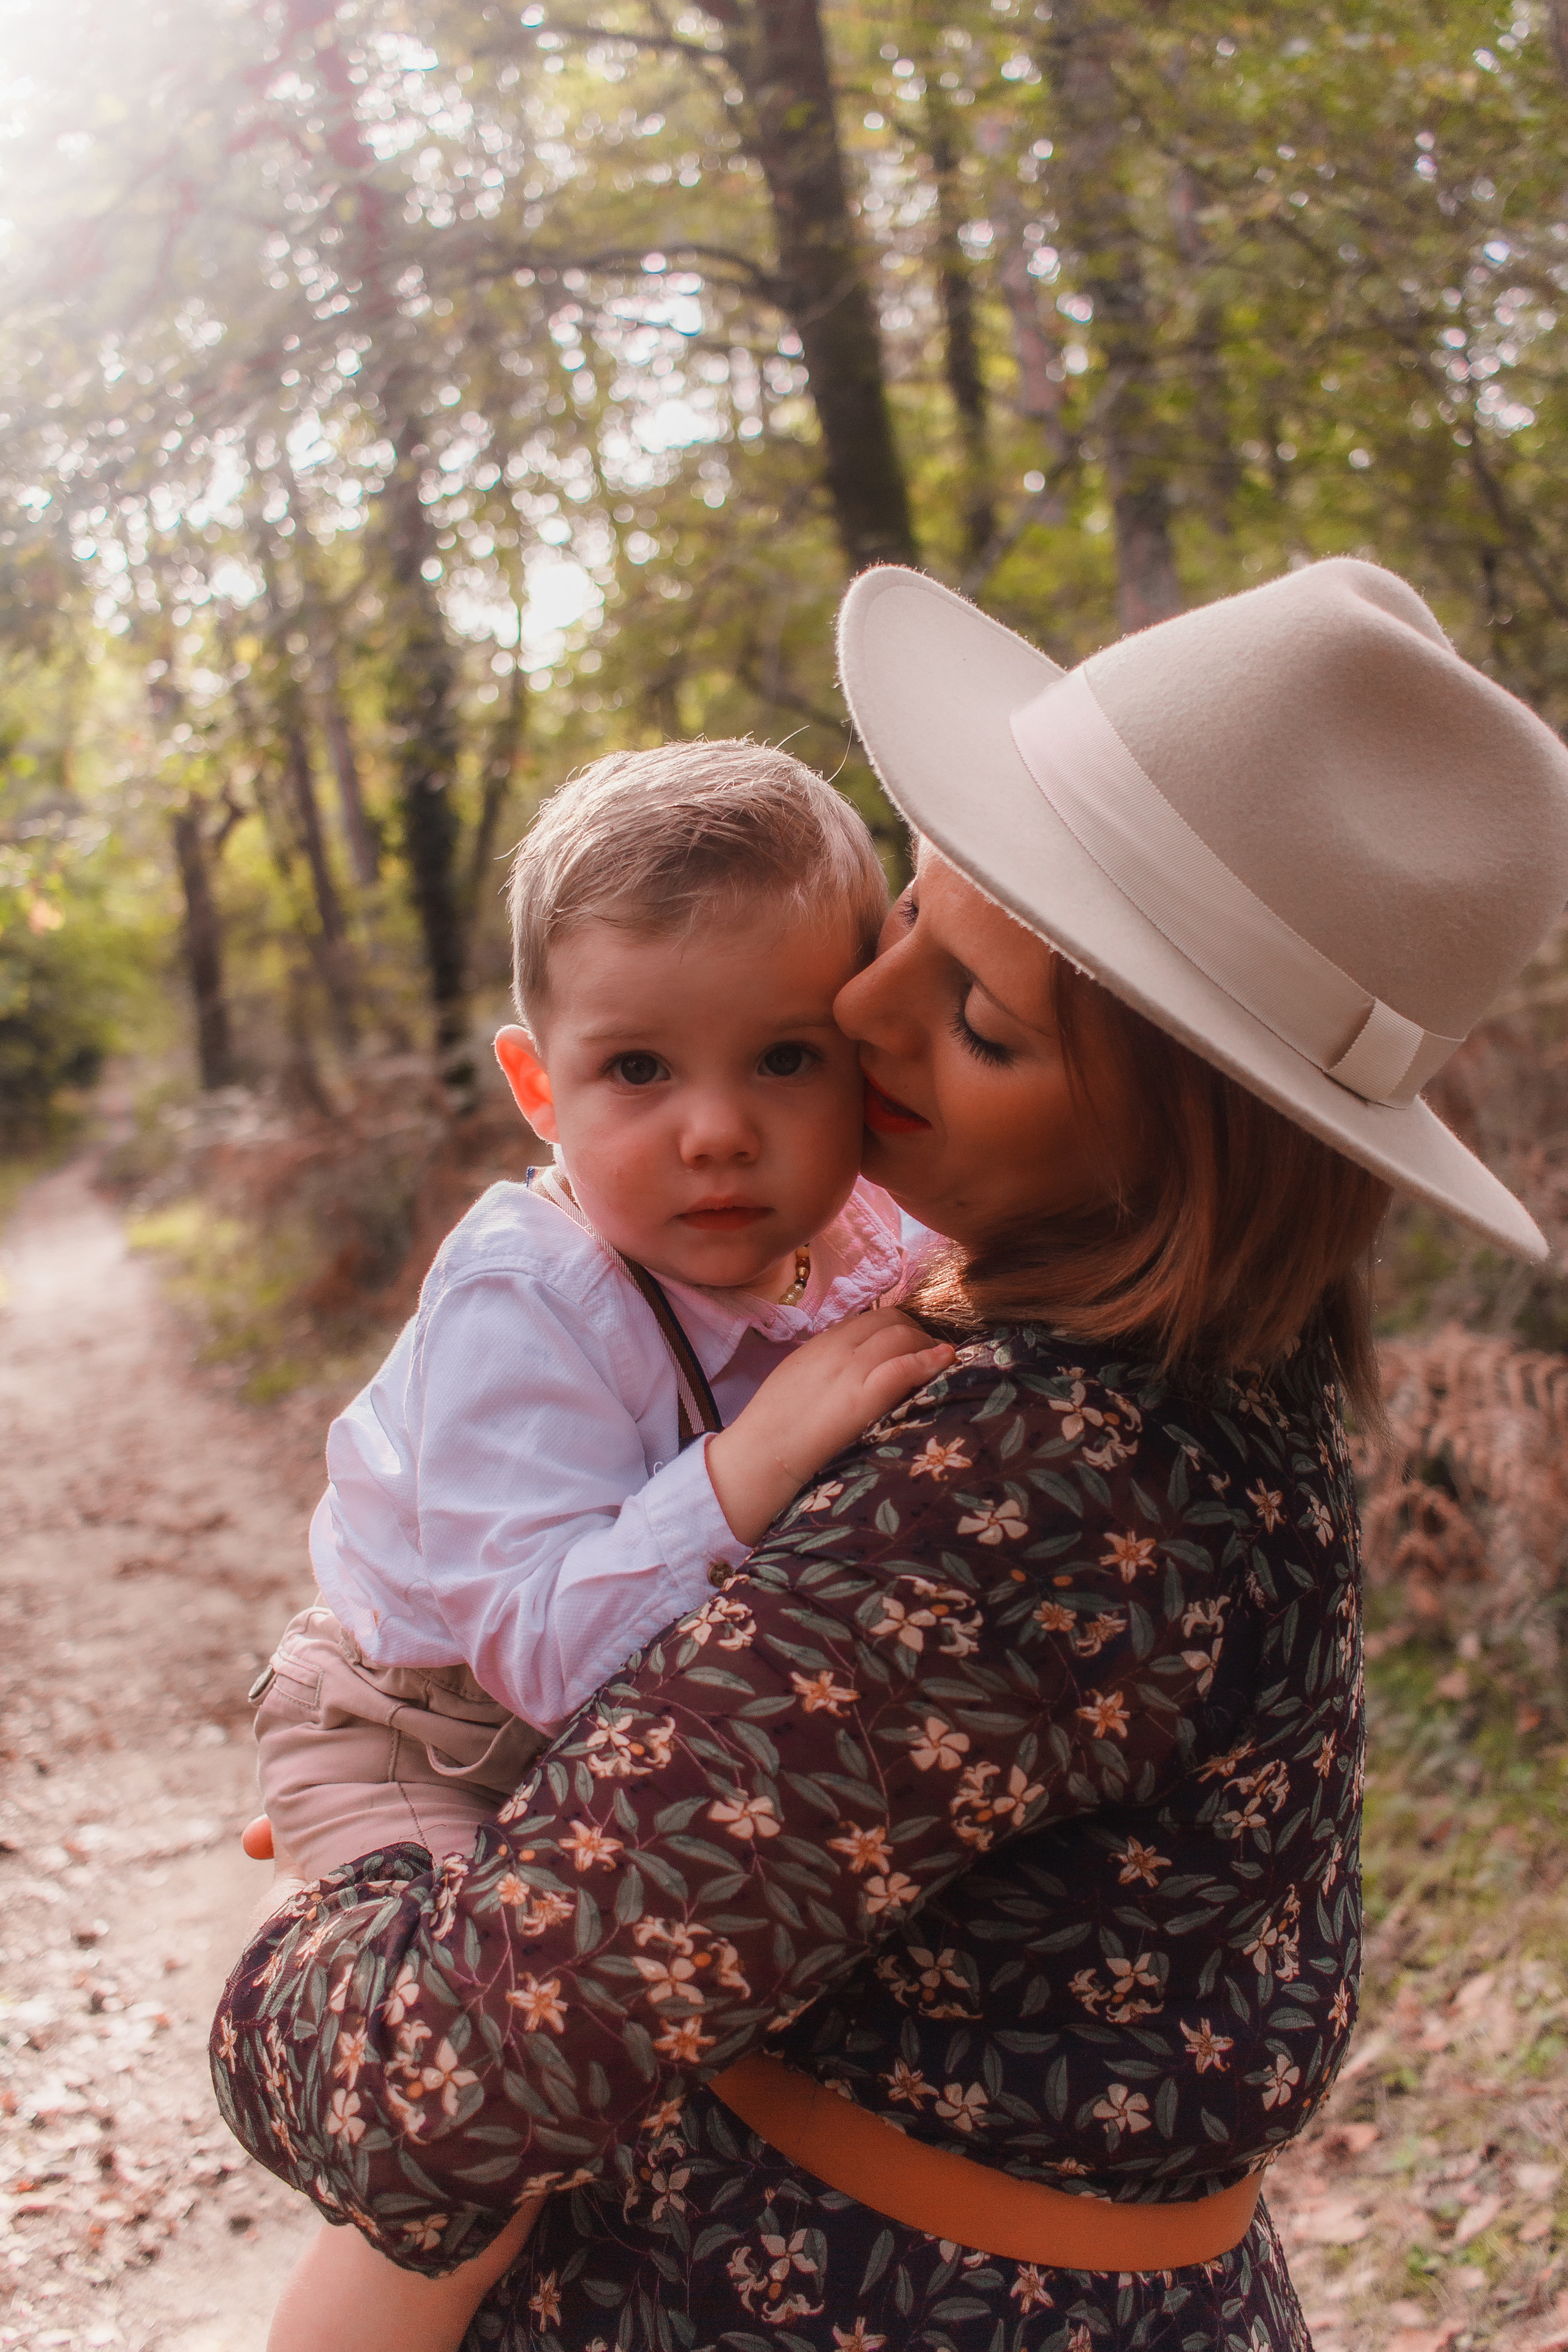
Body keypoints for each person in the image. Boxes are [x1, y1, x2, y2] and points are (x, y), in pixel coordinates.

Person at [214, 558, 1568, 2351]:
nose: (866, 1014)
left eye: (981, 1019)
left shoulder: (1041, 1484)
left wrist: (352, 1908)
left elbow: (433, 2080)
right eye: (908, 924)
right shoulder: (1157, 1356)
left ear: (1192, 1128)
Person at [246, 741, 953, 2350]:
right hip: (414, 1729)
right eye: (641, 1070)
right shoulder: (534, 1294)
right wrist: (750, 1464)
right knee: (462, 2139)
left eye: (785, 1058)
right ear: (540, 1084)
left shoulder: (851, 1232)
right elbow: (545, 1648)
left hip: (577, 1730)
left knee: (649, 2087)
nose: (717, 1131)